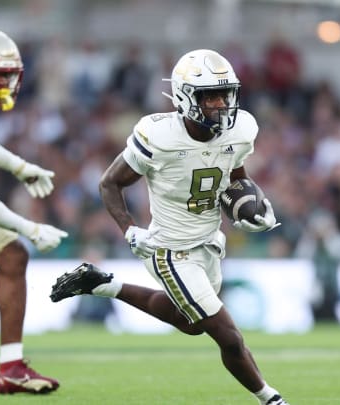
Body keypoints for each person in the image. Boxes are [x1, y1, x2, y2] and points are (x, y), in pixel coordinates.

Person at [49, 49, 290, 405]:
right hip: (170, 250)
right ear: (185, 97)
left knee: (192, 323)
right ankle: (271, 399)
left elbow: (235, 177)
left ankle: (103, 284)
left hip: (209, 243)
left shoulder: (240, 130)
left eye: (224, 93)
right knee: (229, 336)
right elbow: (109, 183)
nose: (221, 103)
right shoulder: (159, 136)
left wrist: (253, 207)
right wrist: (130, 229)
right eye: (210, 95)